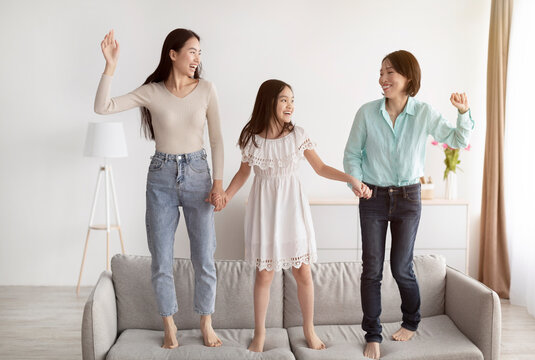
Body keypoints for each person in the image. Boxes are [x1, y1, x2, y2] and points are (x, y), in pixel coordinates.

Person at [94, 28, 225, 349]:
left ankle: (206, 322)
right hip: (161, 177)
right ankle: (169, 325)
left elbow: (218, 139)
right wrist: (110, 66)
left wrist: (219, 183)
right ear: (173, 54)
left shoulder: (206, 89)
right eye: (191, 51)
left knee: (204, 257)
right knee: (161, 259)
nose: (197, 58)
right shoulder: (152, 92)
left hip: (199, 175)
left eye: (199, 53)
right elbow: (103, 106)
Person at [218, 79, 370, 352]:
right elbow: (243, 173)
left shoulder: (298, 135)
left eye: (292, 99)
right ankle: (260, 333)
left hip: (292, 210)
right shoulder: (252, 138)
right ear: (269, 102)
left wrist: (351, 179)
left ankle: (309, 330)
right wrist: (227, 195)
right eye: (284, 99)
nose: (290, 105)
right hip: (264, 211)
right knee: (264, 276)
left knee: (303, 273)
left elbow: (320, 167)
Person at [343, 50, 473, 359]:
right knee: (371, 269)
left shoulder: (424, 113)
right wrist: (356, 182)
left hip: (408, 198)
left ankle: (411, 321)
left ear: (408, 78)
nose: (383, 78)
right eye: (381, 72)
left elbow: (457, 139)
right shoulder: (366, 112)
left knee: (401, 267)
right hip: (371, 197)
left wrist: (464, 112)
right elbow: (352, 154)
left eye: (390, 73)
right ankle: (372, 334)